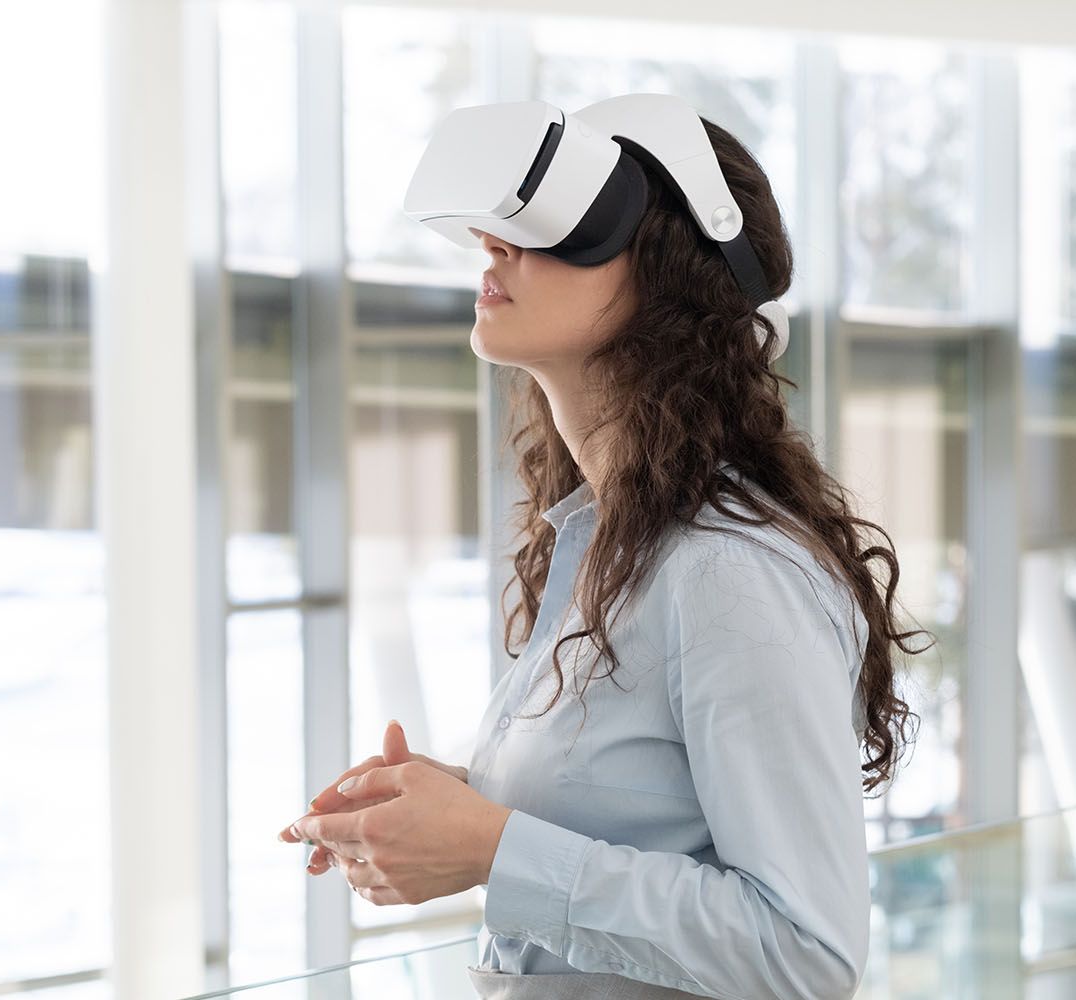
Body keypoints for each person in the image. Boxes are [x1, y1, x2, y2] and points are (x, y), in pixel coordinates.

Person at [278, 114, 930, 999]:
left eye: (568, 222)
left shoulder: (728, 572)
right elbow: (643, 817)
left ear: (670, 280)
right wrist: (459, 812)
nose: (493, 241)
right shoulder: (603, 542)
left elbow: (805, 955)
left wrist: (493, 848)